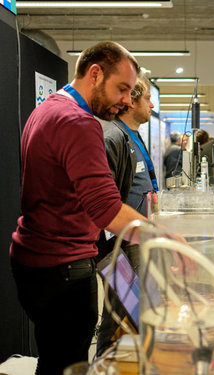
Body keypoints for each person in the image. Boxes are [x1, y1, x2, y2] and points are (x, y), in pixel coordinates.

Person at [10, 41, 148, 375]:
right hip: (65, 269)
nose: (127, 101)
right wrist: (170, 240)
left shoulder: (48, 108)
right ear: (95, 73)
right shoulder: (80, 122)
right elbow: (108, 211)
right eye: (122, 89)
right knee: (68, 364)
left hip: (32, 264)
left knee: (53, 360)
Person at [96, 73, 156, 355]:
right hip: (117, 244)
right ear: (131, 101)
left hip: (136, 240)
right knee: (129, 312)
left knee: (126, 312)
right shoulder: (113, 136)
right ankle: (104, 360)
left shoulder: (132, 136)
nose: (151, 105)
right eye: (147, 98)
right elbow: (102, 201)